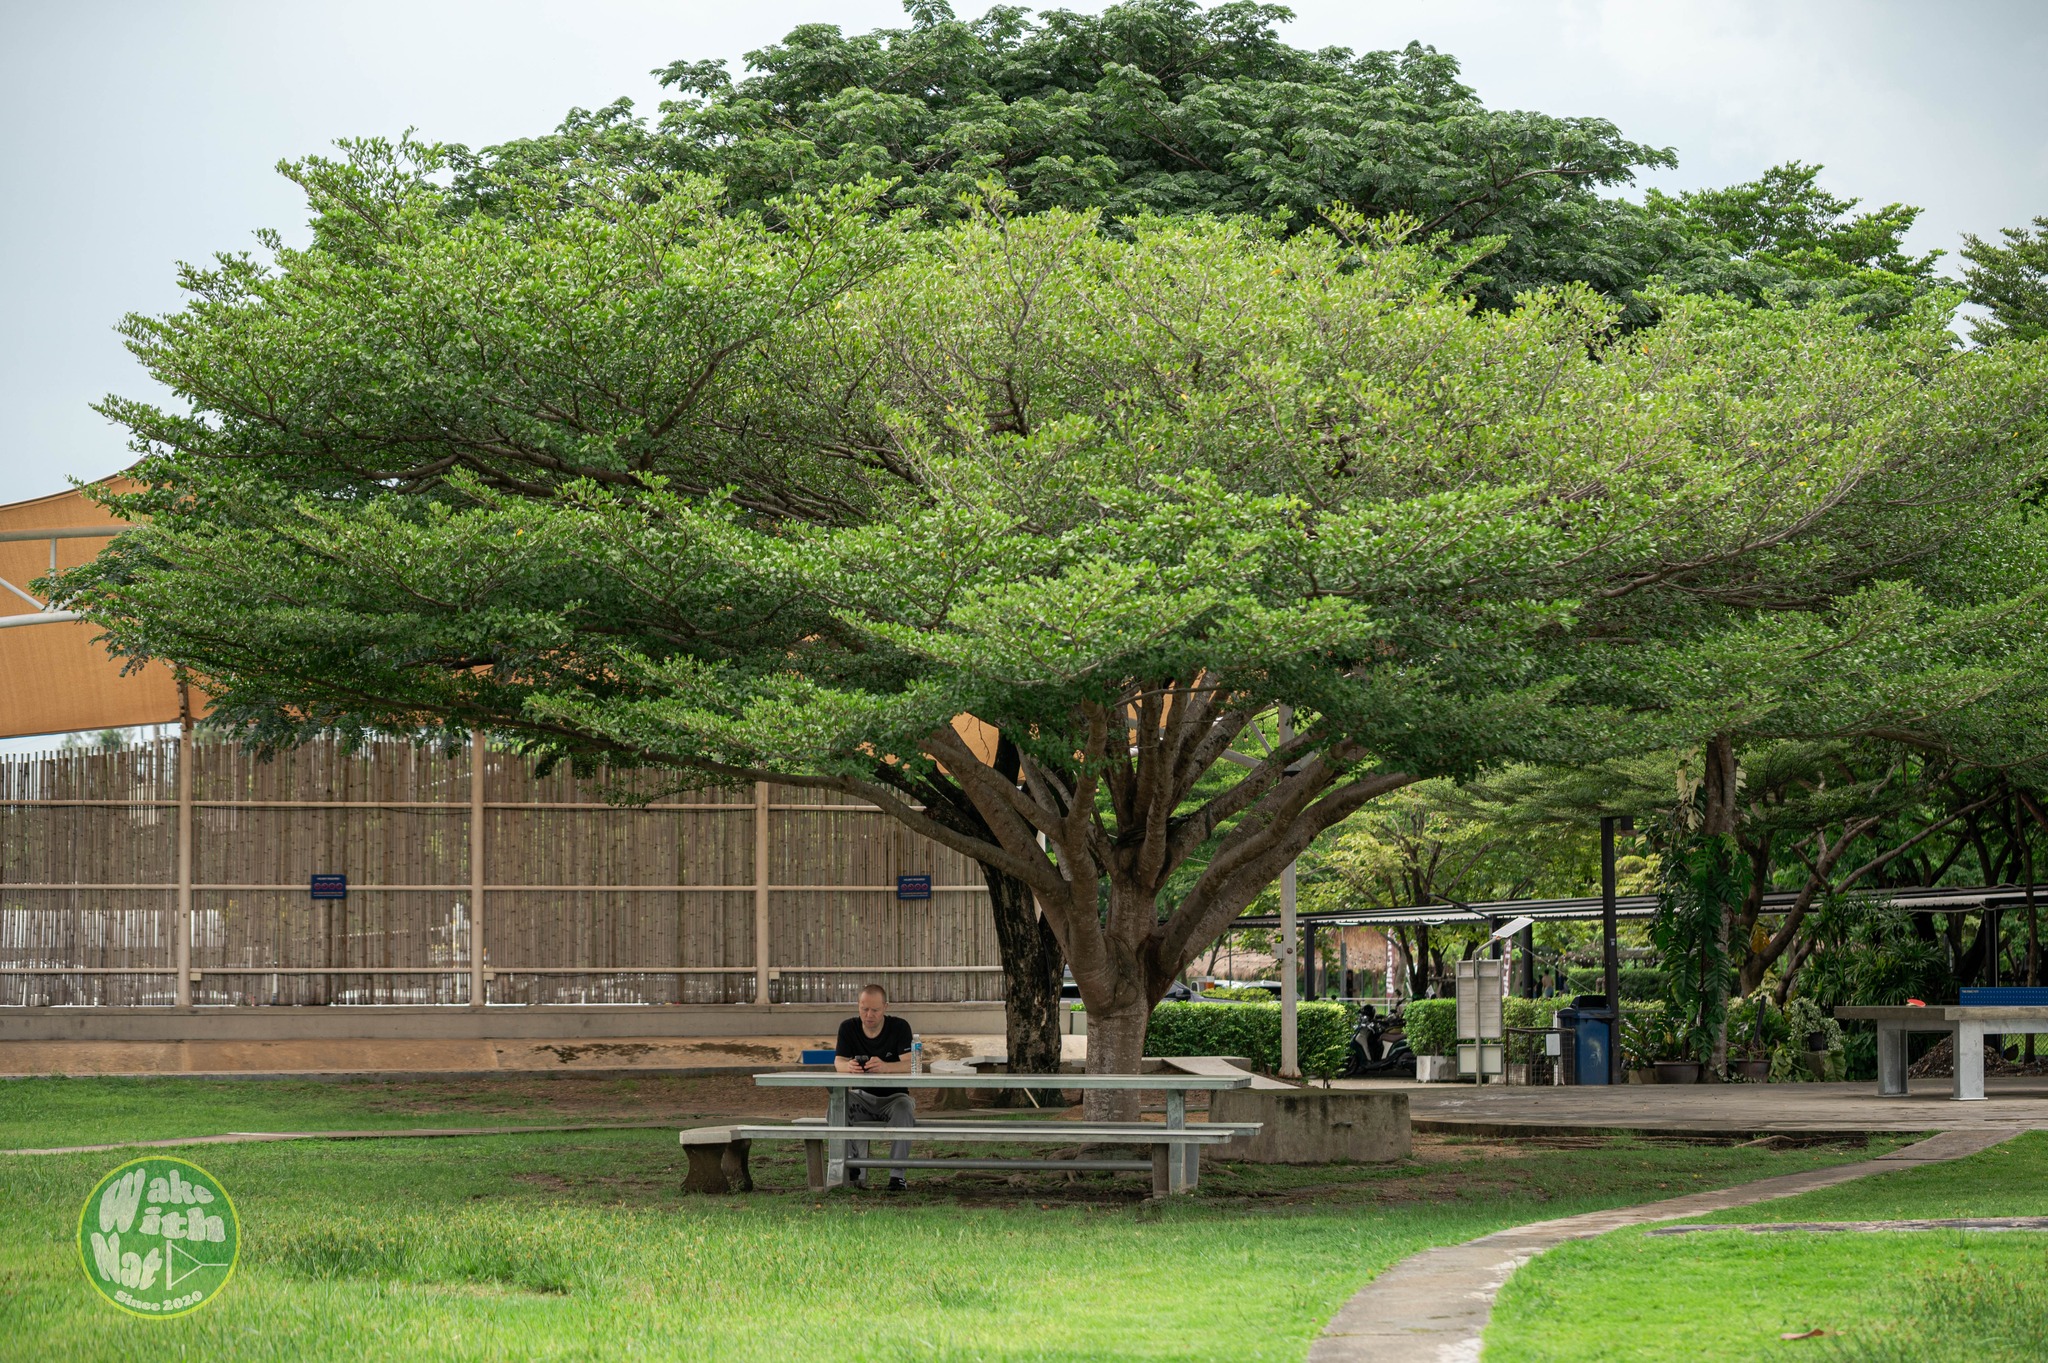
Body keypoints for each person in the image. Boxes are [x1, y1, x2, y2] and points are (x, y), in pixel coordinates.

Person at [835, 983, 915, 1190]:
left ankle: (897, 1177)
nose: (869, 1014)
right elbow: (838, 1062)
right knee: (836, 1106)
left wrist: (886, 1066)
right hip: (862, 1096)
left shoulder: (900, 1027)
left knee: (905, 1109)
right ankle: (852, 1162)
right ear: (858, 1006)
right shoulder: (847, 1027)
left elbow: (912, 1063)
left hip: (894, 1098)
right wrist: (849, 1066)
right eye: (864, 1009)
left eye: (875, 1010)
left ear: (886, 1007)